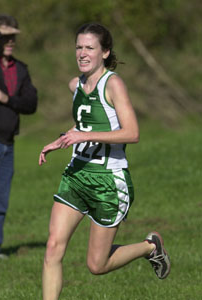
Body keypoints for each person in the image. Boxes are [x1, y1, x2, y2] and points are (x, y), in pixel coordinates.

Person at [39, 23, 170, 300]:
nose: (82, 53)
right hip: (76, 176)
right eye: (79, 47)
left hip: (108, 182)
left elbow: (132, 133)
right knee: (52, 248)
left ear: (105, 52)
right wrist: (61, 140)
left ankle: (150, 247)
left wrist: (82, 135)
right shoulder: (75, 84)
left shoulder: (113, 84)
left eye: (90, 48)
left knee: (97, 265)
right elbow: (83, 125)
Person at [0, 14, 38, 260]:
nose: (10, 40)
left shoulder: (21, 68)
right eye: (5, 36)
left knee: (0, 203)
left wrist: (7, 99)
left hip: (9, 144)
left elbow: (31, 103)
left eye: (13, 36)